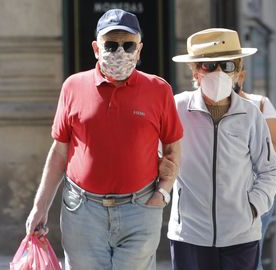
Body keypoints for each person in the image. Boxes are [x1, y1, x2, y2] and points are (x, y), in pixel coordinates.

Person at [24, 9, 183, 270]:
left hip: (140, 209)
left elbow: (173, 148)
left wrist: (163, 193)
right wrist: (39, 207)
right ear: (97, 48)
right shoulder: (73, 86)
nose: (120, 52)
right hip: (82, 211)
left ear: (139, 50)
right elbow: (59, 153)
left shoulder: (159, 89)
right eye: (111, 44)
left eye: (128, 45)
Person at [167, 28, 276, 270]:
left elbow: (270, 170)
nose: (218, 72)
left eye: (227, 65)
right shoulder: (176, 108)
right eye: (210, 66)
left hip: (241, 235)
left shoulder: (251, 114)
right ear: (196, 71)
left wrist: (252, 208)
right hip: (189, 234)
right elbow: (156, 155)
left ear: (238, 71)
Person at [234, 69, 276, 270]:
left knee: (251, 255)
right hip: (226, 195)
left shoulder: (260, 104)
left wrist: (256, 199)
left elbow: (274, 147)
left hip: (254, 194)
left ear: (241, 76)